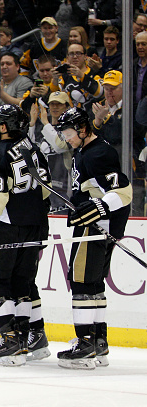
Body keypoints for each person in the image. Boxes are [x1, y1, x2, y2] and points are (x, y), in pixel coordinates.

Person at [0, 104, 50, 367]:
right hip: (34, 225)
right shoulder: (32, 149)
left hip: (6, 227)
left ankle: (10, 340)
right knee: (22, 284)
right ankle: (24, 338)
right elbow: (46, 191)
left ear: (3, 127)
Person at [54, 107, 131, 370]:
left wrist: (99, 210)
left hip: (95, 228)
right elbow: (87, 190)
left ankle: (85, 343)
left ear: (83, 129)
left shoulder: (100, 152)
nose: (66, 137)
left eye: (68, 131)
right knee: (94, 283)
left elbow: (121, 190)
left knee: (81, 281)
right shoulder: (83, 151)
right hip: (94, 225)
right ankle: (98, 341)